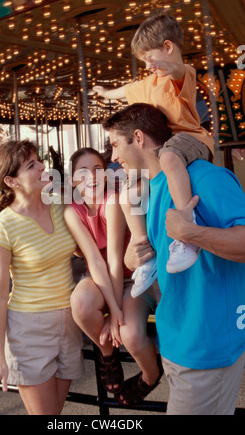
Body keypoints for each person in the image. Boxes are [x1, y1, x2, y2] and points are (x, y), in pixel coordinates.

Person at [102, 102, 245, 415]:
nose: (112, 157)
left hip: (207, 347)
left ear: (138, 138)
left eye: (115, 144)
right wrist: (133, 256)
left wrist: (191, 233)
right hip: (179, 342)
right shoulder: (150, 191)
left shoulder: (205, 178)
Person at [93, 13, 214, 296]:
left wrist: (168, 65)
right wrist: (105, 92)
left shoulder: (180, 73)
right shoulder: (146, 83)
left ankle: (187, 228)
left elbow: (176, 70)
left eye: (150, 57)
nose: (148, 65)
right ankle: (143, 250)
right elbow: (126, 89)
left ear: (169, 47)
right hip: (163, 147)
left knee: (170, 157)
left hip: (190, 139)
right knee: (126, 190)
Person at [0, 140, 84, 415]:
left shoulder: (59, 206)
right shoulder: (4, 226)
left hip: (70, 320)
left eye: (39, 160)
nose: (42, 166)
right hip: (30, 327)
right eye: (31, 165)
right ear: (11, 181)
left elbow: (83, 249)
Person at [64, 147, 163, 405]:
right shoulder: (71, 211)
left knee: (130, 334)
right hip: (100, 276)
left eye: (98, 170)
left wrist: (116, 312)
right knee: (81, 303)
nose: (92, 177)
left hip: (132, 276)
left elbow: (115, 260)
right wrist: (112, 311)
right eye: (83, 172)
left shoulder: (114, 200)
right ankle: (106, 352)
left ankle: (151, 375)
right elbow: (95, 261)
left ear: (106, 174)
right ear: (73, 180)